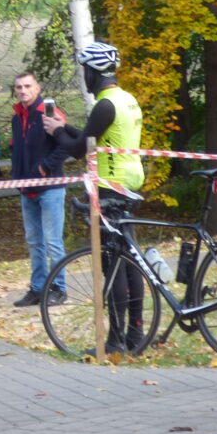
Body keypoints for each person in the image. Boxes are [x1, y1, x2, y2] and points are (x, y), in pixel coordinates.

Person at [46, 42, 145, 348]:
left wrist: (56, 132)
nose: (84, 77)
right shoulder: (125, 99)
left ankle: (115, 340)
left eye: (84, 71)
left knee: (112, 264)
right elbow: (96, 135)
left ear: (92, 71)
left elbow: (78, 149)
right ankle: (135, 334)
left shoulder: (105, 104)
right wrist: (67, 127)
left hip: (109, 186)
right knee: (129, 260)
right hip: (130, 181)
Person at [10, 71, 69, 307]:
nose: (23, 91)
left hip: (51, 187)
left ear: (38, 88)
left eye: (27, 86)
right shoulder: (17, 117)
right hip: (27, 189)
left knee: (53, 241)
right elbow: (17, 150)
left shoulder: (48, 112)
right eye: (18, 87)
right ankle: (37, 288)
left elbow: (66, 145)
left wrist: (46, 167)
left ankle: (60, 288)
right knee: (34, 241)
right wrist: (16, 177)